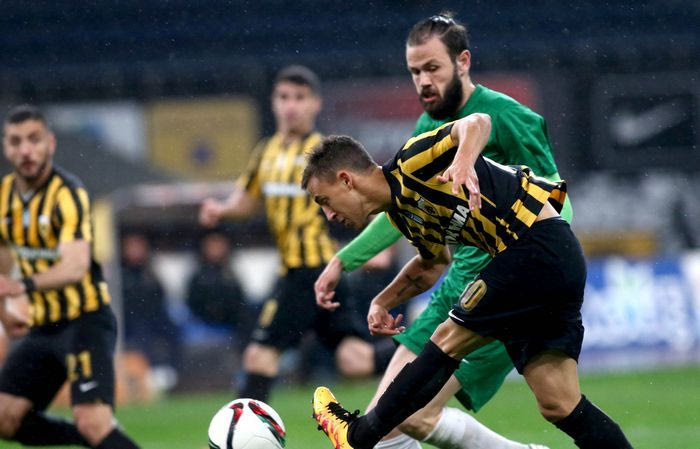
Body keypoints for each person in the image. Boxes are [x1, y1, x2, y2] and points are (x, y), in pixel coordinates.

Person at [313, 13, 570, 449]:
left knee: (403, 418)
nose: (423, 81)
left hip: (501, 288)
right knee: (389, 427)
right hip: (453, 285)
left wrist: (532, 266)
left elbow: (556, 201)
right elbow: (400, 208)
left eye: (432, 68)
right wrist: (345, 260)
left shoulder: (508, 116)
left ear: (462, 62)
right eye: (415, 71)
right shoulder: (426, 128)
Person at [305, 115, 633, 449]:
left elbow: (477, 122)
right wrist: (383, 301)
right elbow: (432, 264)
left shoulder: (411, 162)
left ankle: (358, 436)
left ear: (346, 180)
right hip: (552, 259)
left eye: (324, 201)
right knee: (560, 404)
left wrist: (462, 162)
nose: (329, 215)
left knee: (445, 340)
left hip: (534, 244)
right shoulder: (403, 215)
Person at [198, 65, 373, 402]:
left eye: (300, 98)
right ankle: (419, 359)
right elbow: (247, 201)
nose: (291, 105)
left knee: (259, 356)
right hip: (304, 273)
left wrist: (377, 242)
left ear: (315, 104)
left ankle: (250, 428)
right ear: (273, 102)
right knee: (355, 360)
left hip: (313, 268)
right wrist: (221, 209)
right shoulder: (266, 151)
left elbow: (363, 198)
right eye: (284, 97)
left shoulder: (325, 153)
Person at [0, 105, 140, 448]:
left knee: (92, 421)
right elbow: (3, 256)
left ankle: (99, 435)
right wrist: (4, 310)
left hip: (85, 321)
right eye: (16, 141)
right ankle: (100, 440)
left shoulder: (69, 193)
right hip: (43, 327)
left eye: (34, 140)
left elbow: (75, 266)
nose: (25, 150)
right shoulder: (3, 195)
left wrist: (22, 285)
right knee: (4, 417)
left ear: (50, 143)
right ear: (6, 147)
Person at [121, 232, 181, 385]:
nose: (136, 251)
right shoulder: (120, 273)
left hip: (154, 316)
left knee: (174, 331)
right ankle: (148, 376)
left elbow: (161, 295)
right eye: (132, 247)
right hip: (130, 320)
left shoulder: (151, 271)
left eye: (139, 246)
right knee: (142, 335)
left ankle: (169, 372)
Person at [186, 231, 248, 338]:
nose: (216, 249)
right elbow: (193, 303)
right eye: (212, 245)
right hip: (203, 328)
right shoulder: (198, 276)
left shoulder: (232, 274)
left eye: (219, 245)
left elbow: (239, 302)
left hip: (231, 327)